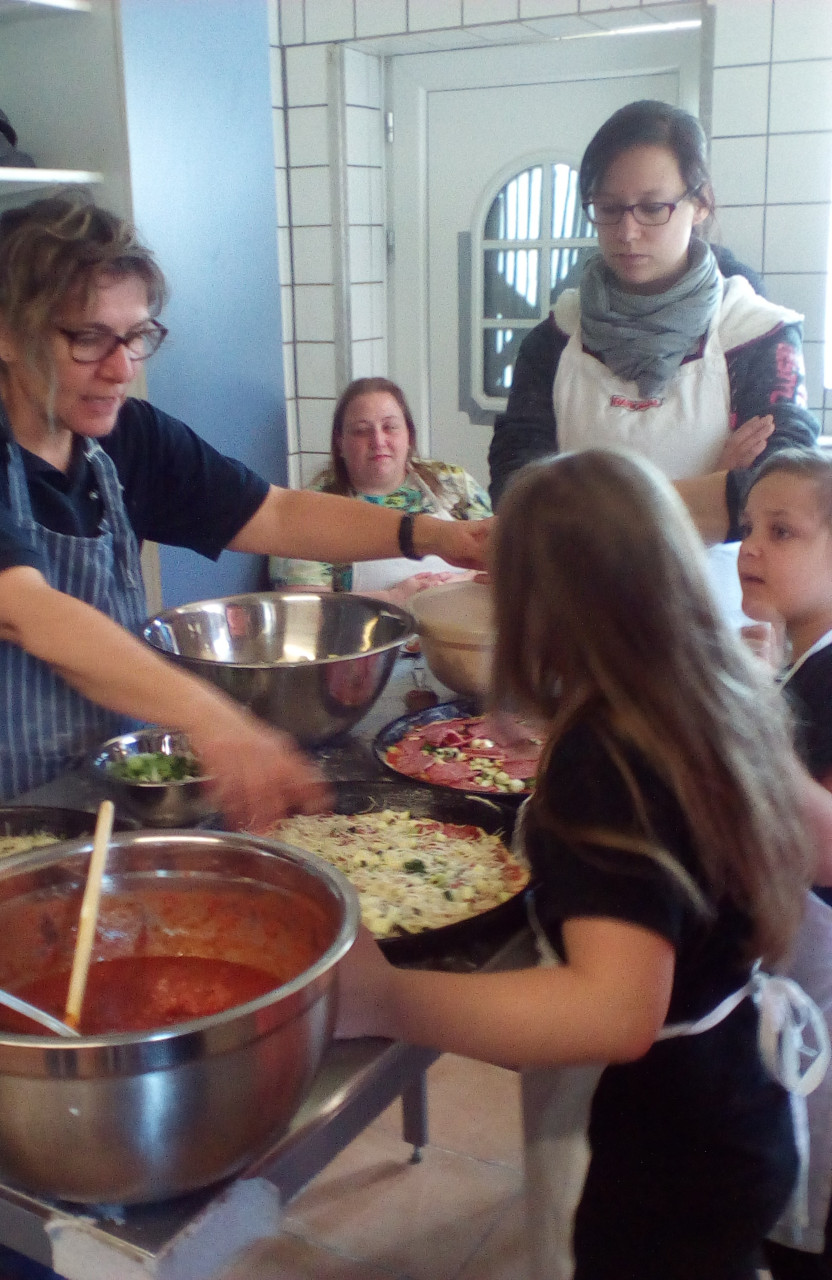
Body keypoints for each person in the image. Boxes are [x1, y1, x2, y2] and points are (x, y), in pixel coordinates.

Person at [336, 448, 826, 1280]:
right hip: (741, 1102)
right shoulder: (710, 690)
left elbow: (613, 1011)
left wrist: (387, 999)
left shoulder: (605, 760)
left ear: (538, 608)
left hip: (672, 1151)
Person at [0, 194, 491, 841]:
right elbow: (31, 613)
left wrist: (444, 536)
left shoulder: (121, 436)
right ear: (0, 330)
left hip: (107, 800)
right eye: (86, 338)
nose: (121, 369)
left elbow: (275, 513)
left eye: (135, 337)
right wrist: (214, 720)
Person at [486, 99, 819, 621]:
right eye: (609, 207)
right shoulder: (556, 337)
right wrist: (711, 486)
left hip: (716, 629)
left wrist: (582, 512)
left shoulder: (757, 335)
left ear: (701, 202)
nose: (627, 231)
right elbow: (517, 493)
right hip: (580, 622)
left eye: (652, 207)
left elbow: (783, 502)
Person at [738, 447, 832, 1276]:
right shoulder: (799, 665)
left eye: (782, 531)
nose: (750, 549)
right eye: (747, 529)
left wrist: (752, 709)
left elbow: (820, 845)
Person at [269, 376, 491, 606]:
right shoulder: (309, 512)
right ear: (340, 443)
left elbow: (505, 562)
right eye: (361, 431)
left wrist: (460, 582)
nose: (378, 440)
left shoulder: (454, 484)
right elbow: (304, 608)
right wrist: (392, 598)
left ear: (409, 436)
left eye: (390, 427)